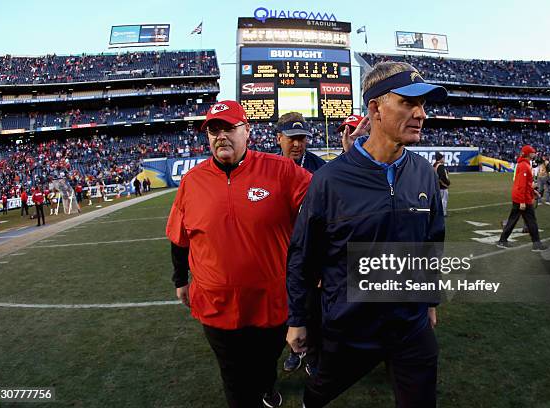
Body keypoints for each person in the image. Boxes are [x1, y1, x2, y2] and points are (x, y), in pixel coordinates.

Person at [286, 62, 446, 408]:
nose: (421, 113)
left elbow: (433, 240)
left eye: (423, 105)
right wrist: (298, 319)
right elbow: (302, 257)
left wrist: (430, 299)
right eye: (408, 102)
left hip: (410, 325)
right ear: (375, 108)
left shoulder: (423, 173)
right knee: (317, 396)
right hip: (350, 329)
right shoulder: (329, 181)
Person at [166, 100, 312, 408]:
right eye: (214, 130)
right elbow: (179, 238)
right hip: (215, 304)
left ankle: (266, 385)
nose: (221, 136)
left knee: (264, 364)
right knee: (233, 377)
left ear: (247, 131)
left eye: (229, 128)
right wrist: (180, 279)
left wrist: (354, 153)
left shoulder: (281, 170)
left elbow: (325, 200)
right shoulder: (192, 182)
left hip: (270, 303)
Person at [276, 112, 325, 376]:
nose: (297, 144)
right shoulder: (267, 168)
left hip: (311, 250)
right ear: (279, 138)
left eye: (302, 139)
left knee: (314, 306)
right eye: (292, 139)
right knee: (287, 305)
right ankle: (295, 351)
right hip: (280, 250)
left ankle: (314, 352)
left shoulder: (320, 168)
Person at [497, 145, 547, 251]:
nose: (534, 153)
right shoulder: (524, 165)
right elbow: (522, 185)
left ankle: (502, 240)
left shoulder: (524, 164)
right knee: (531, 221)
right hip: (522, 198)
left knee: (513, 220)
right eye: (533, 152)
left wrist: (533, 191)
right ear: (529, 154)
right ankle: (536, 244)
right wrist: (523, 201)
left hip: (520, 196)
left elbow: (525, 184)